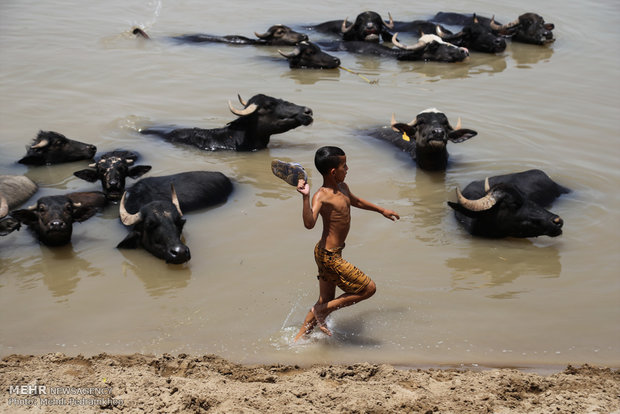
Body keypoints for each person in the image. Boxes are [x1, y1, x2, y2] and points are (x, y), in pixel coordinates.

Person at [294, 146, 400, 341]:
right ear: (334, 172)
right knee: (368, 288)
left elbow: (356, 201)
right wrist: (306, 197)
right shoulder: (321, 195)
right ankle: (320, 311)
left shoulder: (343, 188)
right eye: (345, 165)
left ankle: (298, 341)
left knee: (325, 300)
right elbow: (309, 224)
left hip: (330, 253)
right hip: (329, 256)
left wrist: (382, 210)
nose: (348, 168)